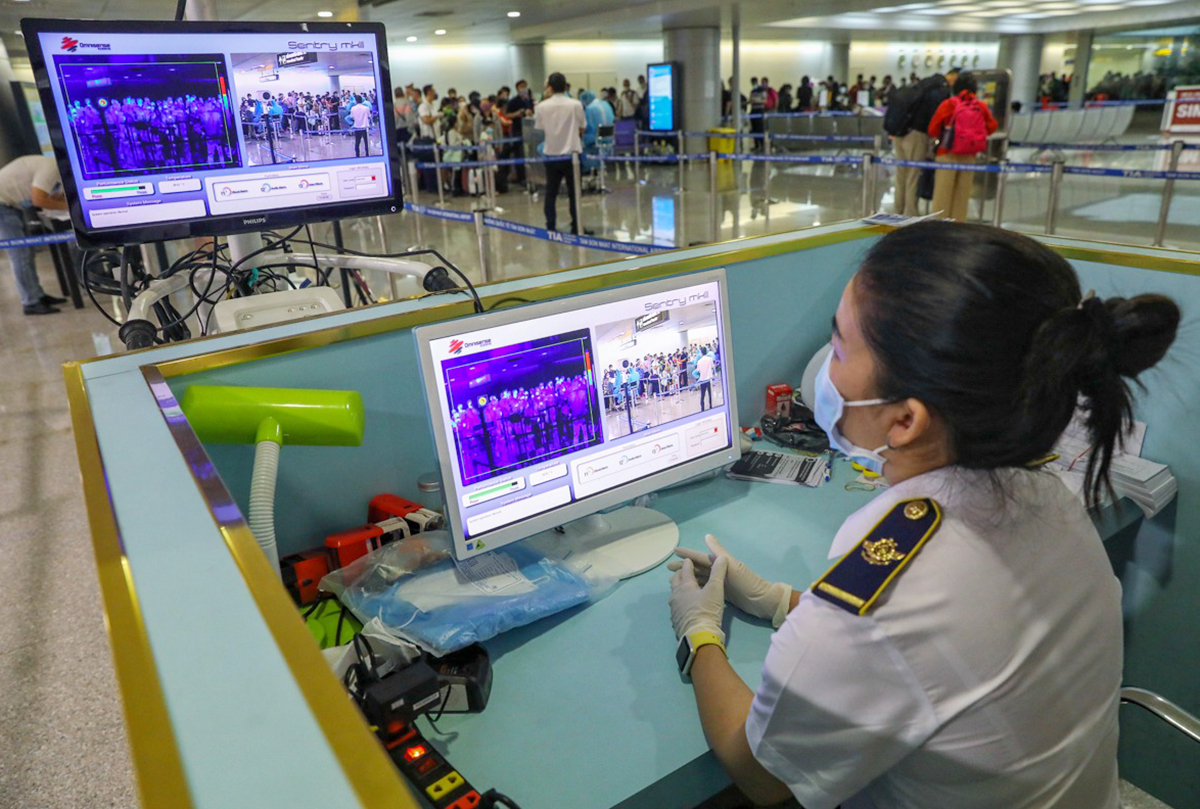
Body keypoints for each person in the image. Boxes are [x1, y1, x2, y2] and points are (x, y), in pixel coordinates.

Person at [667, 221, 1180, 809]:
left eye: (839, 347)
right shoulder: (1047, 496)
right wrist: (783, 602)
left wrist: (700, 636)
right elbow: (945, 647)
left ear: (905, 420)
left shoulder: (887, 589)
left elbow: (760, 773)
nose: (826, 369)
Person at [0, 155, 70, 315]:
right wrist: (69, 207)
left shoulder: (55, 169)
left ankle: (37, 295)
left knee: (27, 253)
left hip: (10, 204)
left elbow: (51, 197)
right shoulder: (51, 167)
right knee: (20, 255)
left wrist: (62, 201)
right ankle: (31, 302)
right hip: (2, 206)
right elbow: (38, 200)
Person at [928, 71, 997, 221]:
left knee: (942, 195)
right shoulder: (980, 106)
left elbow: (933, 129)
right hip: (969, 155)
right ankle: (958, 226)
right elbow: (992, 127)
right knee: (962, 196)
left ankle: (939, 227)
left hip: (947, 153)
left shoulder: (949, 105)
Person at [534, 72, 587, 236]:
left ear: (549, 87)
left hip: (551, 154)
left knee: (551, 193)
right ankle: (577, 226)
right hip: (572, 155)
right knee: (574, 193)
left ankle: (550, 226)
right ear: (565, 86)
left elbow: (540, 128)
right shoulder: (575, 104)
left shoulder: (541, 106)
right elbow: (582, 127)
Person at [506, 79, 535, 185]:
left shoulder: (529, 101)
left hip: (529, 131)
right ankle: (521, 177)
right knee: (519, 154)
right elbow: (508, 115)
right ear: (517, 89)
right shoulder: (513, 101)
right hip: (517, 130)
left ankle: (531, 177)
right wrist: (517, 114)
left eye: (525, 86)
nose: (524, 89)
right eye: (521, 86)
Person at [695, 346, 715, 411]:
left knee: (702, 395)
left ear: (701, 353)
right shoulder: (710, 359)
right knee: (710, 394)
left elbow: (698, 370)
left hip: (702, 379)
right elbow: (712, 367)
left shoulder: (699, 361)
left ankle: (702, 408)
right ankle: (710, 406)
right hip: (708, 379)